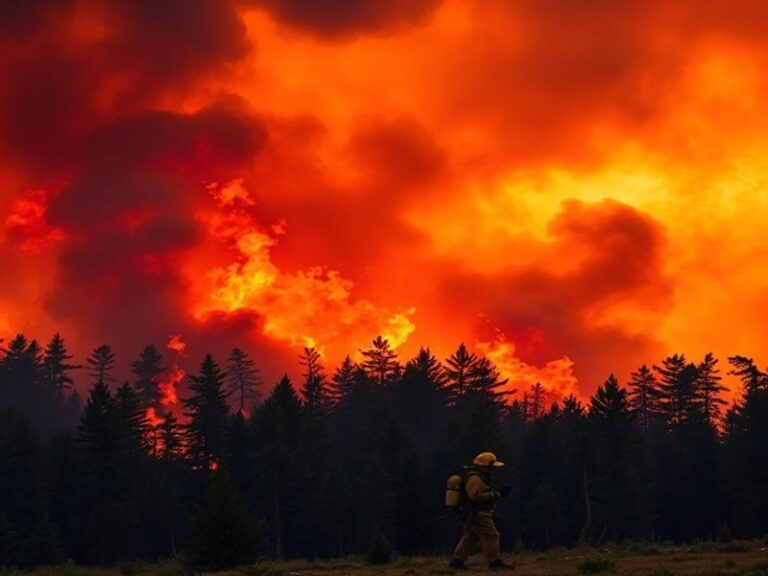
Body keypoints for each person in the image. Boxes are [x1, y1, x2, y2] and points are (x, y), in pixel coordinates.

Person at [449, 452, 514, 570]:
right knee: (492, 536)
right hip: (478, 514)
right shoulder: (475, 478)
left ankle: (456, 562)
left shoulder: (478, 476)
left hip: (472, 514)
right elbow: (474, 496)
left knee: (470, 537)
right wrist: (496, 494)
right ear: (484, 466)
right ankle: (495, 563)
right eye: (491, 467)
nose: (493, 470)